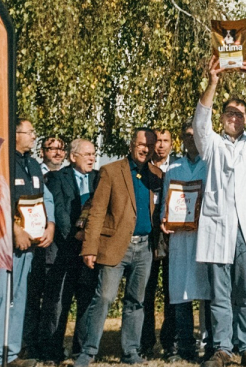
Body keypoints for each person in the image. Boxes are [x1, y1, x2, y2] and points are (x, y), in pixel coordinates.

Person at [195, 55, 246, 367]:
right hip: (220, 227)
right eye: (230, 113)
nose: (234, 117)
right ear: (223, 118)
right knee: (219, 294)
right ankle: (223, 348)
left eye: (240, 114)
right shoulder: (212, 145)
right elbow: (200, 121)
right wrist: (213, 81)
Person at [75, 129, 162, 367]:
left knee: (136, 301)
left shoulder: (157, 175)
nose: (147, 149)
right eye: (143, 144)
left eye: (151, 145)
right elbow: (97, 212)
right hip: (115, 246)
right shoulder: (111, 171)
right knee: (104, 297)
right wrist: (89, 248)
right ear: (132, 144)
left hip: (144, 248)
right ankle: (88, 351)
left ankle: (130, 352)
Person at [0, 119, 53, 367]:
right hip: (0, 245)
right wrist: (15, 229)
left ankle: (11, 355)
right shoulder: (0, 162)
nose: (34, 136)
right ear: (15, 134)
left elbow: (43, 199)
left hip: (26, 248)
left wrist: (48, 225)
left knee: (18, 300)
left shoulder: (32, 164)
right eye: (29, 132)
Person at [37, 138, 99, 363]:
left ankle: (80, 350)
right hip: (64, 250)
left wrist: (89, 242)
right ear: (73, 157)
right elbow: (59, 211)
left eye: (94, 154)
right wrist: (76, 236)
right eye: (87, 154)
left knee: (86, 300)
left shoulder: (98, 178)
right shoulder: (57, 177)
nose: (92, 158)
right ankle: (52, 351)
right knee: (58, 303)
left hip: (89, 252)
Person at [162, 122, 214, 362]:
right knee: (181, 291)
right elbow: (166, 201)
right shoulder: (174, 168)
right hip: (181, 236)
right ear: (181, 139)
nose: (191, 140)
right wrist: (165, 218)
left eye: (195, 135)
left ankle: (212, 344)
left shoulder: (211, 164)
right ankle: (185, 346)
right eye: (187, 136)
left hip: (206, 235)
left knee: (209, 292)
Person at [23, 134, 66, 355]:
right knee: (31, 298)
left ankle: (50, 344)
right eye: (52, 148)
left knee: (53, 300)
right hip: (32, 245)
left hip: (56, 248)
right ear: (42, 152)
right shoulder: (33, 172)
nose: (57, 153)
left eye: (61, 149)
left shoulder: (68, 176)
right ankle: (29, 345)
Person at [142, 128, 175, 359]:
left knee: (172, 292)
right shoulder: (142, 170)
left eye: (165, 141)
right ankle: (145, 343)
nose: (161, 145)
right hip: (149, 238)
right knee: (146, 291)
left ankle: (170, 341)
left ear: (172, 144)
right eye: (157, 141)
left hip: (174, 237)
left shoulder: (179, 167)